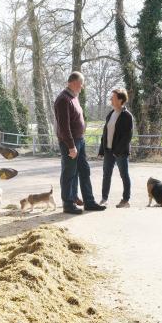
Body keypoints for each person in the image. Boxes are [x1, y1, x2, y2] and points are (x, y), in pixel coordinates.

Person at [54, 71, 106, 215]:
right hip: (70, 142)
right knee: (69, 173)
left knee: (84, 171)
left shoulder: (74, 98)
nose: (82, 87)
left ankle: (89, 202)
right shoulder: (63, 99)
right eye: (81, 84)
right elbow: (64, 127)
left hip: (79, 140)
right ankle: (68, 204)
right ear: (73, 83)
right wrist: (71, 146)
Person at [99, 89, 134, 208]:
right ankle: (104, 199)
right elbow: (105, 133)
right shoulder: (110, 114)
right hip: (108, 150)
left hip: (120, 152)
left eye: (113, 98)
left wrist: (117, 151)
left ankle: (125, 200)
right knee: (106, 175)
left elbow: (127, 136)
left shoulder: (127, 116)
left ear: (120, 100)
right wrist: (102, 149)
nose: (111, 100)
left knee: (124, 175)